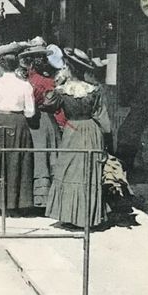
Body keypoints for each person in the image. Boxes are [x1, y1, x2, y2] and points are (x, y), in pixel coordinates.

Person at [44, 49, 106, 230]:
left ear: (69, 68)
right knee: (88, 170)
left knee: (69, 171)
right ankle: (87, 216)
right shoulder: (94, 90)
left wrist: (56, 85)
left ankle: (70, 214)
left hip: (72, 131)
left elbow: (48, 106)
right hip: (91, 130)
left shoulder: (62, 90)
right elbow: (101, 117)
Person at [0, 52, 36, 213]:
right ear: (17, 65)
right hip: (18, 122)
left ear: (1, 66)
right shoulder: (25, 86)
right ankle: (15, 204)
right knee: (17, 161)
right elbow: (30, 111)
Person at [20, 45, 60, 208]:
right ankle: (47, 195)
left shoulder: (30, 82)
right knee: (46, 154)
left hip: (35, 121)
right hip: (47, 120)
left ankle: (38, 196)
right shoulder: (48, 81)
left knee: (38, 155)